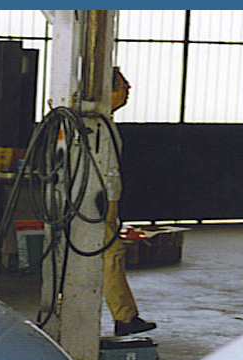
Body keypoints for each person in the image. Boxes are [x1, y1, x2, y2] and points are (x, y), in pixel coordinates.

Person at [105, 67, 156, 336]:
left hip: (103, 199)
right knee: (111, 255)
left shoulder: (104, 121)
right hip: (96, 202)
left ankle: (125, 317)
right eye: (123, 86)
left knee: (110, 255)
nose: (128, 91)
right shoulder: (96, 123)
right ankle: (125, 318)